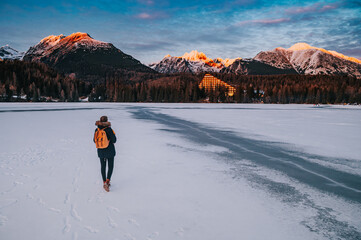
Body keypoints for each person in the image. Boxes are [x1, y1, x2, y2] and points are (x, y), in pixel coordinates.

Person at [94, 116, 117, 191]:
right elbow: (114, 140)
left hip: (101, 151)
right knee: (110, 166)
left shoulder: (96, 130)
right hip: (110, 151)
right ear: (107, 121)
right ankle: (107, 181)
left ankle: (104, 182)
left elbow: (94, 140)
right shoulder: (109, 130)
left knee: (103, 166)